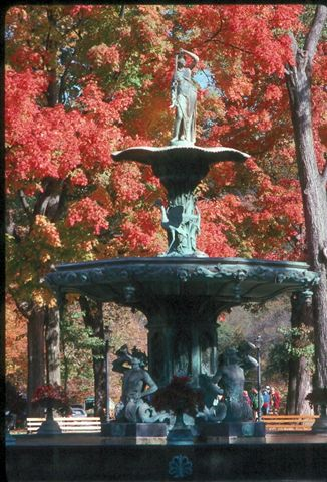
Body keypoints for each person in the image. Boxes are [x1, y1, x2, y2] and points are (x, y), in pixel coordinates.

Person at [112, 345, 158, 423]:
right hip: (123, 400)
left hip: (134, 400)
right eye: (132, 357)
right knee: (119, 418)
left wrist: (141, 394)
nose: (132, 358)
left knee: (130, 419)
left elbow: (154, 387)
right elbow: (115, 367)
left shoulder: (143, 373)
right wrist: (125, 357)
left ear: (140, 360)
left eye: (135, 357)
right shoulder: (127, 372)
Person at [171, 48, 199, 144]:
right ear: (178, 61)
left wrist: (186, 51)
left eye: (184, 59)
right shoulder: (176, 73)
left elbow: (196, 59)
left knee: (187, 117)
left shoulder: (188, 70)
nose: (183, 60)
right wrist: (173, 100)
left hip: (190, 95)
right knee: (179, 115)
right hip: (180, 95)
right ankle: (175, 136)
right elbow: (173, 88)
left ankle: (183, 136)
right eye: (181, 59)